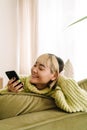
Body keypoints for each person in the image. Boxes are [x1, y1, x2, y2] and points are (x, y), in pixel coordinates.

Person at [1, 53, 87, 113]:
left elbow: (83, 101)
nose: (34, 70)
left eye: (41, 68)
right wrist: (9, 91)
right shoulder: (22, 81)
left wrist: (61, 79)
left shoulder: (57, 91)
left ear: (54, 76)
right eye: (35, 65)